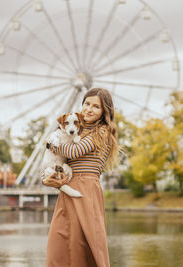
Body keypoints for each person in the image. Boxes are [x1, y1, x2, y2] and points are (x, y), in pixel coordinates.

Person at [43, 88, 119, 267]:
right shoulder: (75, 130)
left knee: (81, 244)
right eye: (87, 103)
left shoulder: (102, 132)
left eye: (96, 106)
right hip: (68, 189)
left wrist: (48, 143)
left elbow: (74, 151)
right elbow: (56, 161)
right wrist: (45, 179)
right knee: (59, 242)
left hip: (86, 190)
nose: (89, 109)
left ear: (104, 111)